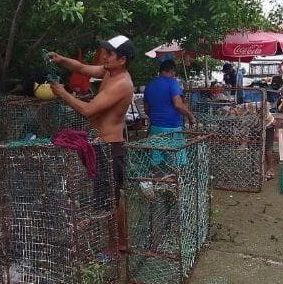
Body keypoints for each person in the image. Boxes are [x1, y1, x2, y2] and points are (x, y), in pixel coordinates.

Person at [48, 35, 135, 250]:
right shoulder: (108, 71)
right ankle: (115, 240)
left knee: (111, 200)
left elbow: (88, 110)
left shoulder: (122, 83)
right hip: (100, 145)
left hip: (110, 147)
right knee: (108, 197)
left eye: (109, 53)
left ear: (122, 59)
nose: (104, 56)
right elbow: (82, 68)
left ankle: (118, 244)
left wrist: (62, 93)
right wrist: (61, 59)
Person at [143, 60, 196, 166]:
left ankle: (158, 181)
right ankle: (176, 181)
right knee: (177, 162)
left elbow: (146, 109)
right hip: (172, 128)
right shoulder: (172, 83)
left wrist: (156, 118)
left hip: (155, 128)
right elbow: (178, 104)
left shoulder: (149, 85)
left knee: (157, 163)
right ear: (171, 70)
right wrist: (190, 116)